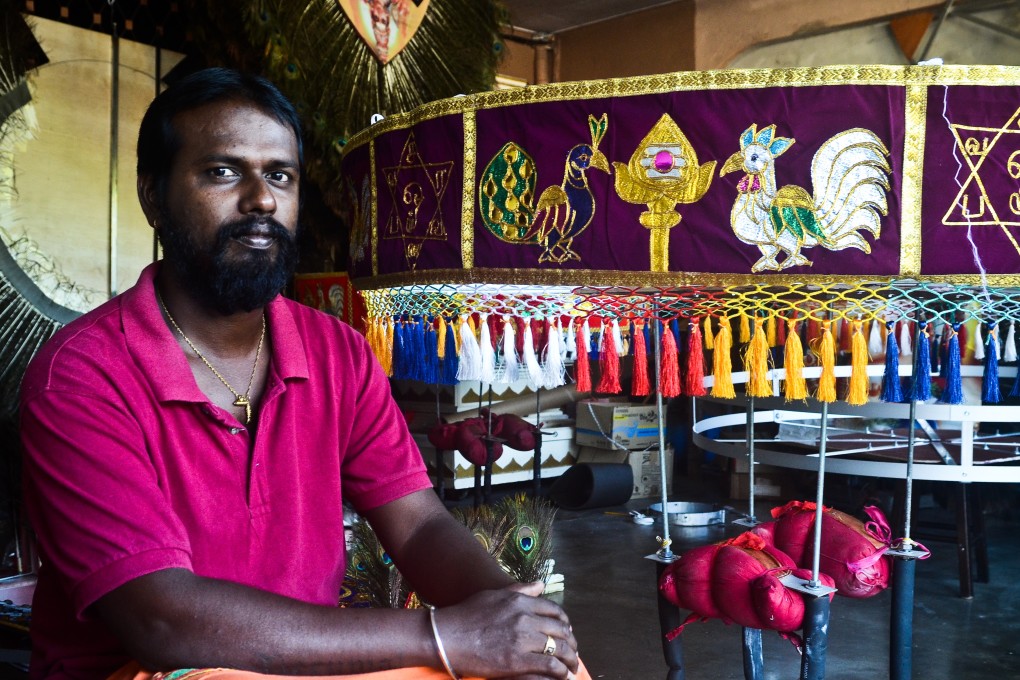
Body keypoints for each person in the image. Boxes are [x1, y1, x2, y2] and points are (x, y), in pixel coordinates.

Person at [19, 68, 588, 680]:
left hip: (312, 663)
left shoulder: (336, 352)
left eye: (280, 176)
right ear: (153, 196)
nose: (261, 199)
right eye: (222, 171)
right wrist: (442, 634)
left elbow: (419, 524)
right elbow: (163, 621)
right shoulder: (81, 375)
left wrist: (515, 619)